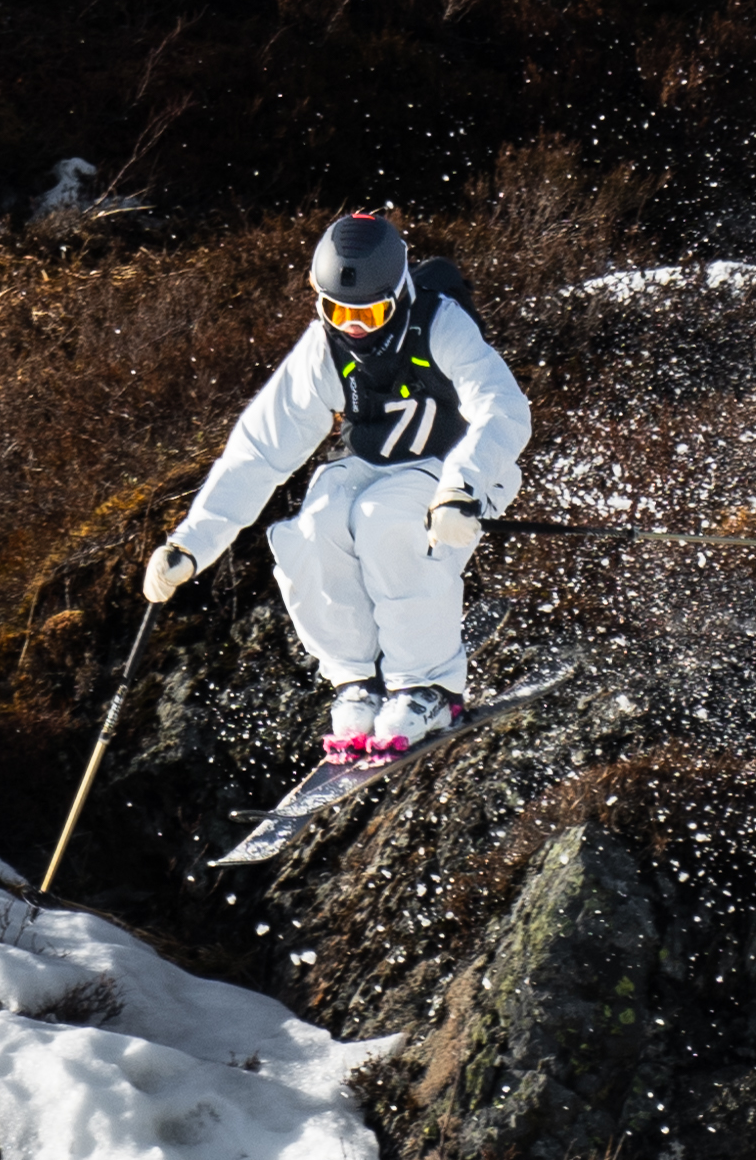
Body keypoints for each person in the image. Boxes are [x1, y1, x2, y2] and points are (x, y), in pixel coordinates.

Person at [138, 210, 532, 759]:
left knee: (384, 522)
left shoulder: (438, 323)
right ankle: (359, 683)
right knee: (315, 523)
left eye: (369, 311)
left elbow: (502, 409)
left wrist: (461, 488)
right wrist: (190, 545)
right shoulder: (325, 347)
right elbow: (260, 448)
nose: (354, 326)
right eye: (337, 309)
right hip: (374, 464)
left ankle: (429, 686)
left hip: (452, 472)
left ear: (398, 294)